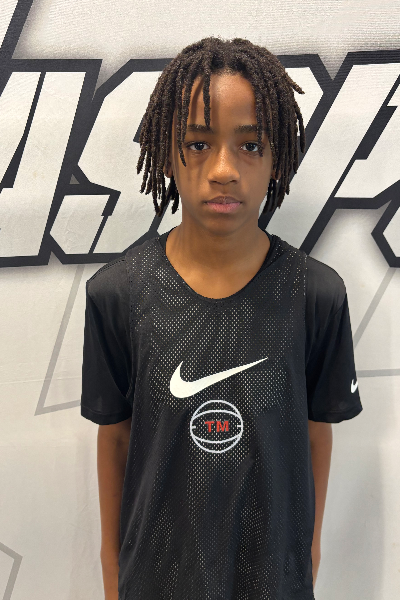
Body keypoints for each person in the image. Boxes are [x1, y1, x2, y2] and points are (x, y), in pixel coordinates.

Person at [81, 36, 363, 600]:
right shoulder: (117, 294)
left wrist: (308, 554)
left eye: (251, 144)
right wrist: (113, 576)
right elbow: (115, 440)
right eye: (198, 143)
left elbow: (316, 434)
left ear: (277, 157)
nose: (224, 169)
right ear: (167, 153)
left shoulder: (316, 295)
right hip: (155, 583)